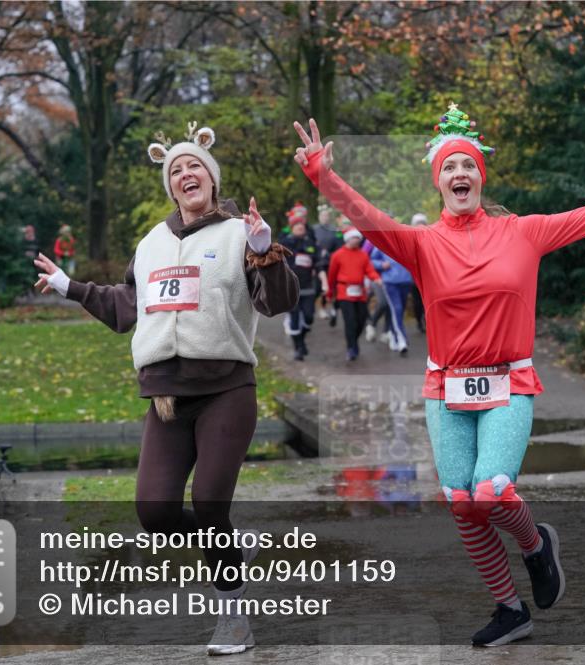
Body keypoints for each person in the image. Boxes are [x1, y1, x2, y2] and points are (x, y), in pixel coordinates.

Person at [293, 104, 585, 646]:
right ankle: (510, 610)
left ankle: (536, 546)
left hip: (509, 382)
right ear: (438, 181)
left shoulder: (524, 232)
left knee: (492, 491)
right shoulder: (419, 244)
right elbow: (364, 214)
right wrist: (322, 176)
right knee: (461, 499)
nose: (459, 173)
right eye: (448, 167)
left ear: (480, 177)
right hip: (446, 387)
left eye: (468, 165)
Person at [34, 122, 298, 655]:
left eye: (194, 165)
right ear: (171, 186)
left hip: (226, 390)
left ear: (212, 177)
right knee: (154, 514)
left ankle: (234, 619)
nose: (185, 174)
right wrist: (69, 286)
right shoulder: (152, 243)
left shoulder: (239, 233)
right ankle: (229, 542)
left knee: (208, 503)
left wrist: (265, 251)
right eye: (176, 170)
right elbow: (125, 305)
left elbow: (278, 302)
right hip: (166, 397)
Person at [327, 227, 382, 361]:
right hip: (344, 293)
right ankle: (351, 347)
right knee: (350, 321)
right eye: (354, 237)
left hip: (360, 293)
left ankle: (354, 341)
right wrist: (330, 292)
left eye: (358, 238)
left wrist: (376, 278)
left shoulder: (363, 255)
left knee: (361, 321)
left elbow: (369, 269)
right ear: (348, 239)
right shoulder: (338, 255)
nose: (357, 240)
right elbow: (332, 275)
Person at [279, 216, 320, 360]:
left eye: (302, 226)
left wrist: (319, 273)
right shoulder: (285, 243)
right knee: (294, 317)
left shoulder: (311, 243)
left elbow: (318, 261)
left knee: (309, 317)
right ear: (292, 228)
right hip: (290, 288)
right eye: (297, 226)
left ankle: (301, 340)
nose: (300, 227)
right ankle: (298, 347)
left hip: (308, 287)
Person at [370, 244, 414, 354]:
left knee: (400, 311)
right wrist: (381, 264)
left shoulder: (406, 243)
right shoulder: (382, 243)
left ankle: (393, 335)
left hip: (405, 280)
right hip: (390, 282)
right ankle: (401, 339)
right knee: (397, 309)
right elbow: (371, 261)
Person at [409, 213, 429, 332]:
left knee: (427, 301)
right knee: (417, 302)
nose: (420, 225)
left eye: (422, 223)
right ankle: (419, 321)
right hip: (414, 278)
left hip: (428, 278)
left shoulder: (430, 237)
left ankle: (427, 321)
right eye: (418, 223)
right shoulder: (409, 238)